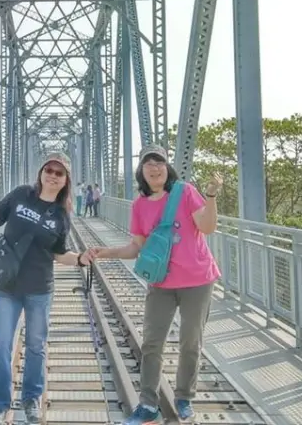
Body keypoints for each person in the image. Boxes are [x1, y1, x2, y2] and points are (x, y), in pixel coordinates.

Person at [87, 144, 223, 424]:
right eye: (148, 163)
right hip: (161, 282)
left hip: (197, 279)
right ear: (141, 170)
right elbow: (136, 247)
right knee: (152, 342)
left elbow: (208, 227)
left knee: (190, 342)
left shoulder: (184, 192)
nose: (155, 167)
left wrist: (210, 196)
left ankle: (184, 397)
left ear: (167, 166)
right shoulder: (139, 205)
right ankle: (148, 404)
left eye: (159, 162)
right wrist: (104, 252)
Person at [0, 152, 94, 424]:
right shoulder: (21, 194)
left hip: (39, 288)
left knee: (36, 346)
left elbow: (60, 254)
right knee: (2, 345)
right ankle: (0, 405)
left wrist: (81, 259)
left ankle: (30, 399)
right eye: (48, 169)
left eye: (59, 173)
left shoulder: (61, 215)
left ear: (65, 181)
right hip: (8, 286)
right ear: (40, 173)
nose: (52, 175)